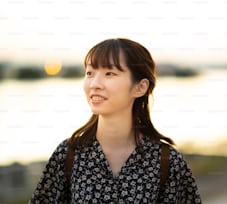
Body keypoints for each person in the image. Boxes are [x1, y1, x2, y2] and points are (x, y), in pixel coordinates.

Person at [29, 38, 202, 203]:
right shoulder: (68, 154)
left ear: (140, 87)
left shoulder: (167, 161)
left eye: (109, 73)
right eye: (89, 73)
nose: (95, 84)